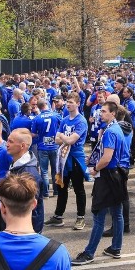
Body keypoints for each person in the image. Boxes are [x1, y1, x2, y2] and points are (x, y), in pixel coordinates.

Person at [71, 101, 128, 264]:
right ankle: (116, 247)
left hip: (109, 176)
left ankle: (89, 253)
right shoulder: (115, 128)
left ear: (112, 113)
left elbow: (107, 157)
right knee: (117, 213)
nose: (100, 114)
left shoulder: (111, 131)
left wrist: (95, 168)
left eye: (103, 111)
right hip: (117, 174)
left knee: (99, 214)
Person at [46, 93, 89, 230]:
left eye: (71, 102)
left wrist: (63, 137)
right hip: (63, 158)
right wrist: (65, 138)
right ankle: (58, 216)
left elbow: (70, 140)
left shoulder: (81, 121)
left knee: (78, 189)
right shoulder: (64, 120)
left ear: (77, 103)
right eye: (67, 102)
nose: (68, 104)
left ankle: (81, 217)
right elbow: (56, 139)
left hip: (76, 158)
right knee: (61, 187)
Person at [8, 128, 45, 233]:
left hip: (26, 230)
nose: (7, 144)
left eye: (11, 141)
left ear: (22, 146)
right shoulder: (16, 165)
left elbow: (31, 208)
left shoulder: (29, 174)